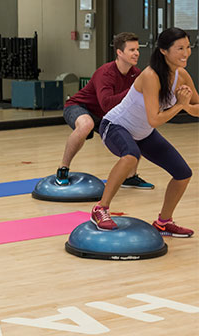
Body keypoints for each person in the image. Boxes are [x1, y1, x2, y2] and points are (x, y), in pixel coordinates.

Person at [91, 27, 197, 236]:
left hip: (143, 132)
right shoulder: (151, 76)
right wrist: (179, 106)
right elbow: (155, 119)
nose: (186, 53)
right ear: (164, 51)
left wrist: (185, 105)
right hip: (116, 125)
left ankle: (163, 222)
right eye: (180, 48)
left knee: (183, 174)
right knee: (131, 156)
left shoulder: (181, 75)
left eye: (188, 47)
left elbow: (196, 107)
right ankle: (100, 208)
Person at [57, 32, 153, 189]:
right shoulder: (106, 73)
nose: (136, 53)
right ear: (119, 52)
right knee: (86, 124)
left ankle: (130, 177)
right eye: (131, 50)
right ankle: (63, 169)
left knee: (136, 128)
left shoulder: (136, 74)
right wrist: (132, 90)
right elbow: (106, 103)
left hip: (106, 115)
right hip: (79, 107)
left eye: (137, 49)